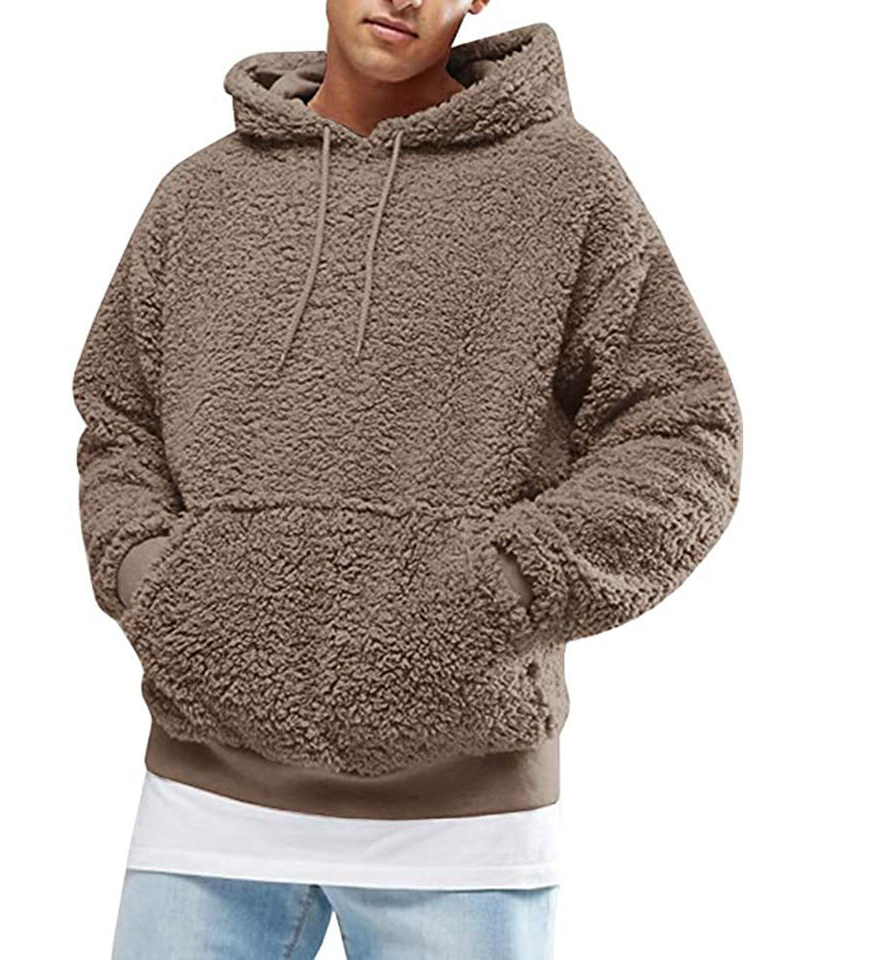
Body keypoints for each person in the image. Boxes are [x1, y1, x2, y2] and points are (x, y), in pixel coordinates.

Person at [72, 2, 743, 957]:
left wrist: (504, 586)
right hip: (205, 803)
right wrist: (156, 579)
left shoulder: (565, 184)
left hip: (461, 827)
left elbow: (683, 428)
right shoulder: (200, 195)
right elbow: (119, 419)